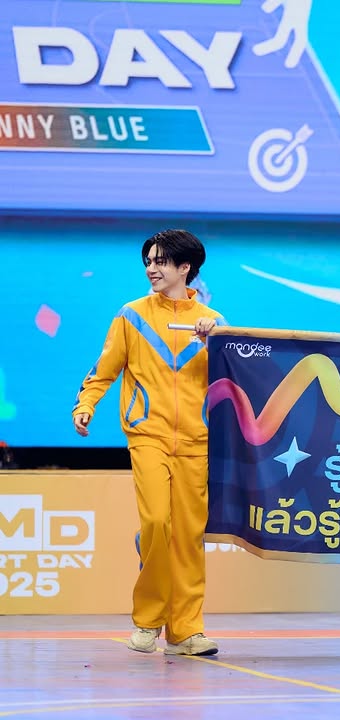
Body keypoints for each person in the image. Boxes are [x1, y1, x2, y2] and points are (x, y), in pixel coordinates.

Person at [72, 229, 223, 657]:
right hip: (147, 435)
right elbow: (104, 369)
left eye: (160, 262)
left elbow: (231, 381)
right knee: (157, 523)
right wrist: (86, 404)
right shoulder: (131, 315)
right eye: (149, 261)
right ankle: (148, 620)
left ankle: (186, 632)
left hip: (196, 441)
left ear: (185, 267)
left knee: (188, 536)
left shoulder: (214, 322)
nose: (151, 269)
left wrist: (214, 342)